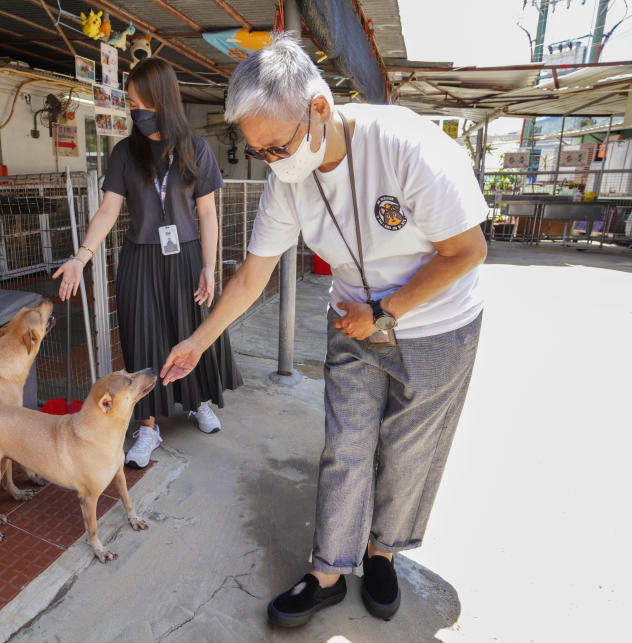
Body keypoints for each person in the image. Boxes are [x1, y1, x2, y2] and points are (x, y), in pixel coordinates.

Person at [160, 35, 488, 628]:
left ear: (318, 107)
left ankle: (382, 553)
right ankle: (329, 571)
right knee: (347, 444)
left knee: (408, 450)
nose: (274, 161)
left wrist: (386, 312)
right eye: (259, 152)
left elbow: (467, 250)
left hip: (439, 321)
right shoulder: (288, 181)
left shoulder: (408, 147)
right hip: (352, 322)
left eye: (277, 145)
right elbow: (252, 275)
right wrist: (197, 342)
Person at [53, 57, 242, 469]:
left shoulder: (196, 148)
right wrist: (81, 257)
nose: (134, 110)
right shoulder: (125, 152)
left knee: (191, 329)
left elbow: (207, 213)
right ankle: (149, 425)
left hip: (187, 255)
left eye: (141, 102)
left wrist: (209, 267)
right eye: (131, 102)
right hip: (139, 257)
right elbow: (108, 210)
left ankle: (197, 401)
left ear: (162, 99)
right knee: (143, 337)